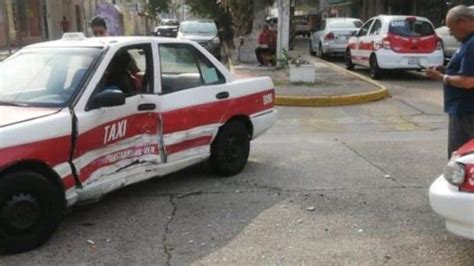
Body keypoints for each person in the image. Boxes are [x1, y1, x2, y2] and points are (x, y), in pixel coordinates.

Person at [425, 5, 474, 158]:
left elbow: (468, 81)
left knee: (460, 158)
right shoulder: (467, 42)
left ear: (463, 22)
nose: (451, 34)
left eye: (451, 28)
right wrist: (446, 70)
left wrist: (441, 77)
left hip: (467, 113)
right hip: (462, 111)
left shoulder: (472, 44)